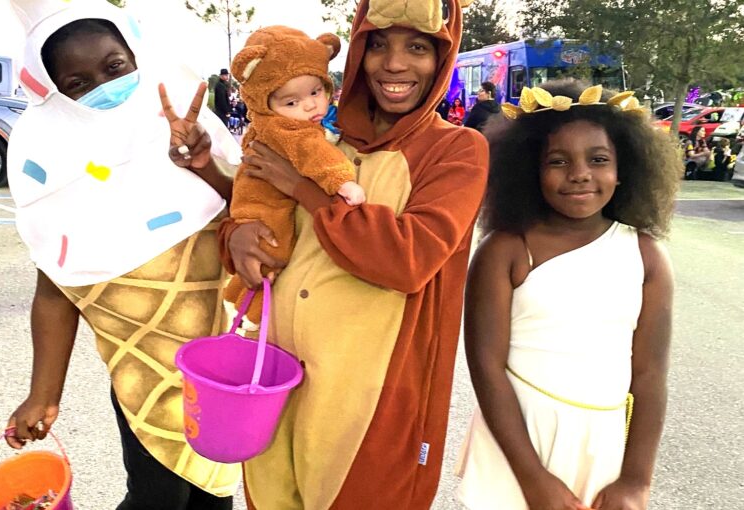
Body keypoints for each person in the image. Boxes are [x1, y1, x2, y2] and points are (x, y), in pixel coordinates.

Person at [217, 0, 488, 508]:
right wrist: (235, 236)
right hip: (274, 380)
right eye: (378, 44)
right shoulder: (317, 136)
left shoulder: (457, 150)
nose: (394, 64)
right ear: (358, 50)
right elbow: (258, 214)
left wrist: (305, 189)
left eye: (418, 47)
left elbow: (406, 260)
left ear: (444, 58)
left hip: (369, 401)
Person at [4, 0, 242, 507]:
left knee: (213, 497)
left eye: (113, 67)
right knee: (160, 498)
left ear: (134, 55)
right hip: (143, 381)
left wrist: (202, 164)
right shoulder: (61, 169)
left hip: (220, 373)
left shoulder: (187, 131)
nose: (102, 86)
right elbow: (54, 292)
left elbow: (245, 210)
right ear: (55, 93)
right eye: (77, 83)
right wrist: (43, 395)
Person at [455, 80, 679, 510]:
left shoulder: (647, 257)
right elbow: (486, 366)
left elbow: (650, 376)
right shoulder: (506, 250)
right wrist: (534, 479)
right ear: (528, 169)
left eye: (598, 160)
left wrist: (635, 481)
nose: (580, 173)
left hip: (602, 446)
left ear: (624, 169)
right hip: (517, 443)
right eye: (558, 161)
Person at [223, 26, 366, 323]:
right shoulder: (289, 129)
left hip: (251, 205)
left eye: (316, 92)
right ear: (265, 101)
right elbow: (316, 154)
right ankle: (251, 313)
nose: (310, 104)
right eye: (291, 102)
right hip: (267, 208)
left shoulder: (268, 123)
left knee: (263, 258)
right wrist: (343, 181)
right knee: (272, 256)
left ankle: (239, 301)